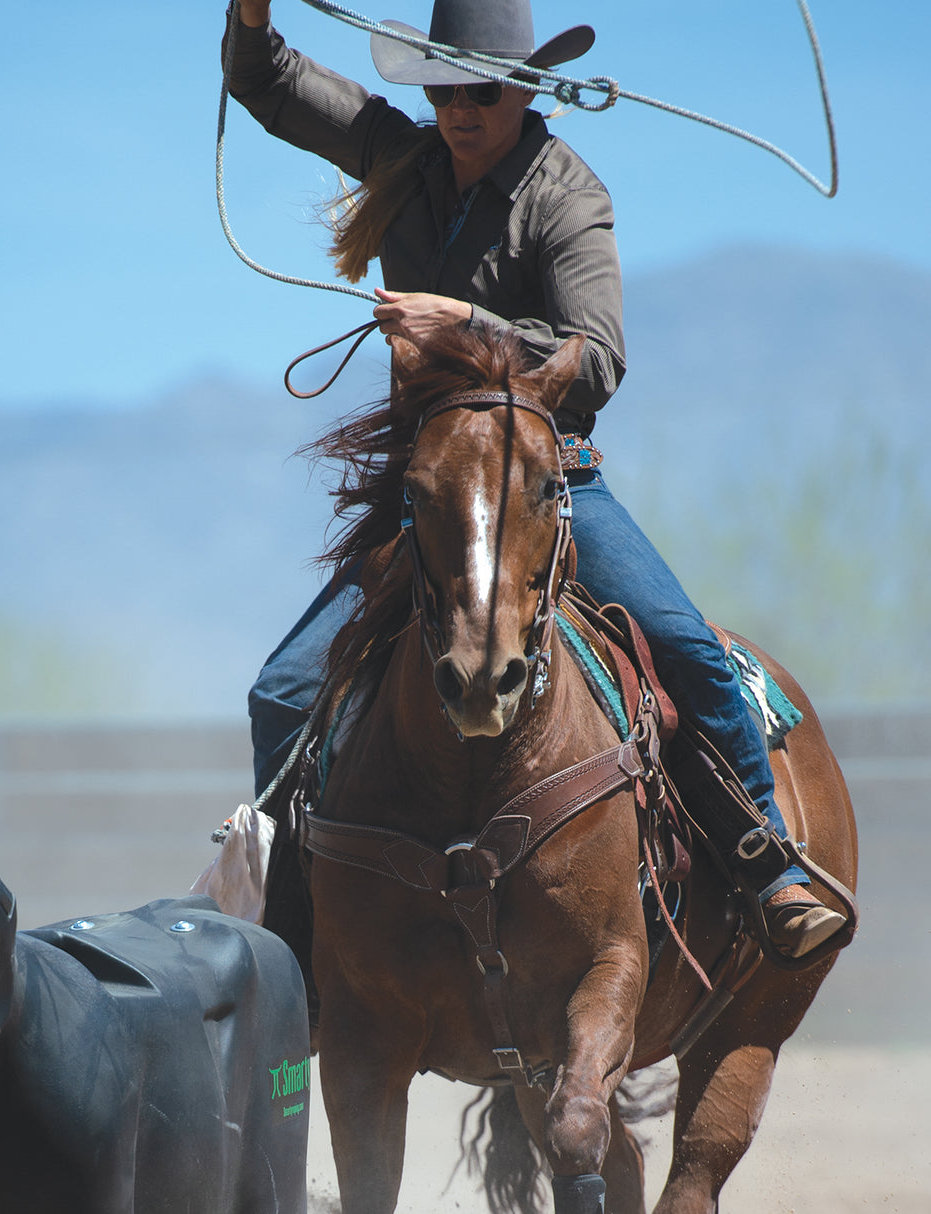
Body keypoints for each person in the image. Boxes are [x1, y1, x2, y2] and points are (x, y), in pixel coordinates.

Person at [224, 0, 846, 960]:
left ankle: (768, 868)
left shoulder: (567, 195)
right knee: (283, 691)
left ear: (524, 87)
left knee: (686, 645)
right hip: (427, 494)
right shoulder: (404, 157)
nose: (461, 108)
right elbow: (273, 85)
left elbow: (597, 358)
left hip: (551, 483)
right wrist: (252, 21)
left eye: (483, 89)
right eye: (445, 88)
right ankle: (299, 938)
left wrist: (462, 327)